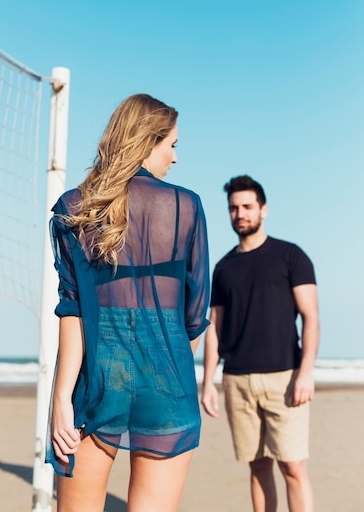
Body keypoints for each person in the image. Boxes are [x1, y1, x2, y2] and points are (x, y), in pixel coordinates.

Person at [45, 93, 210, 512]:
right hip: (168, 381)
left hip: (98, 380)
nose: (175, 158)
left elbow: (73, 310)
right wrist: (164, 365)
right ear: (148, 141)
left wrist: (61, 399)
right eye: (172, 144)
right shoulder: (186, 207)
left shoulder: (76, 208)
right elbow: (194, 316)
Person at [202, 175, 319, 512]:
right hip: (237, 381)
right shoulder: (223, 268)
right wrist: (208, 381)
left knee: (293, 467)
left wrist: (306, 373)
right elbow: (215, 328)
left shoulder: (291, 256)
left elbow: (310, 317)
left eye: (247, 207)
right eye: (234, 208)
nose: (240, 214)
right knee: (257, 465)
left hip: (285, 377)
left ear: (263, 210)